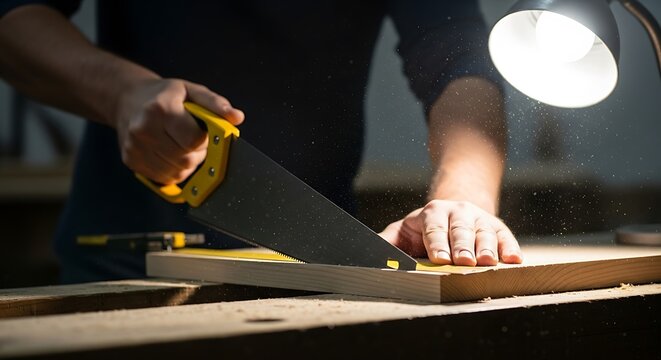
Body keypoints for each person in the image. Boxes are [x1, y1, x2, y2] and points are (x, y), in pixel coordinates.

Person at [0, 0, 522, 283]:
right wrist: (123, 94)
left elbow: (459, 60)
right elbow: (14, 18)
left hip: (316, 274)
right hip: (123, 271)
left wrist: (463, 203)